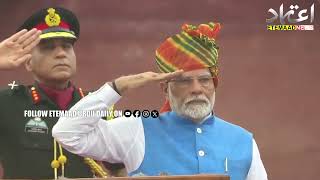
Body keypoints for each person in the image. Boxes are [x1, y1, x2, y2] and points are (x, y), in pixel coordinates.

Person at [52, 22, 268, 180]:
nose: (196, 89)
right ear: (166, 89)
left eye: (204, 80)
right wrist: (117, 87)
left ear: (214, 85)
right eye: (184, 82)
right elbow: (67, 133)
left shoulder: (243, 140)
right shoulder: (137, 130)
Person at [0, 7, 103, 179]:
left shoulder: (97, 104)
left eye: (67, 46)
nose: (61, 54)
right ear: (28, 62)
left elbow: (119, 168)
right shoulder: (7, 104)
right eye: (48, 48)